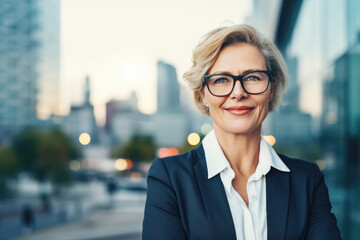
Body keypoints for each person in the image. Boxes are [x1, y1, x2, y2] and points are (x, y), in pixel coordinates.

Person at [142, 24, 341, 240]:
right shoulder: (170, 177)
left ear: (271, 88)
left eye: (253, 77)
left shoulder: (307, 180)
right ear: (203, 95)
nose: (238, 92)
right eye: (221, 80)